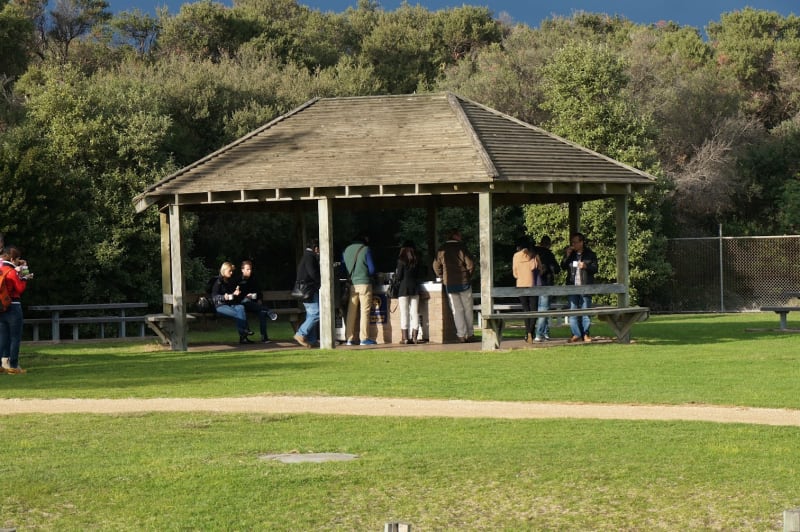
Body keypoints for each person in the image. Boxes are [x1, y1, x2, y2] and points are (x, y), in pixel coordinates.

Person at [432, 229, 475, 343]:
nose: (461, 237)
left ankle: (461, 334)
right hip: (464, 282)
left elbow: (436, 266)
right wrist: (467, 276)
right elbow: (470, 264)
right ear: (455, 236)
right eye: (459, 235)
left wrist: (442, 277)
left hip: (450, 283)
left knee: (457, 310)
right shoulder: (462, 247)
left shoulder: (442, 249)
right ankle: (470, 333)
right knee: (468, 309)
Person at [561, 232, 599, 343]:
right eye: (572, 242)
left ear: (581, 242)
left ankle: (586, 334)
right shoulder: (571, 254)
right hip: (572, 286)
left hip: (585, 286)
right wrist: (567, 255)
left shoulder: (590, 254)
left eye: (575, 242)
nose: (573, 244)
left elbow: (595, 269)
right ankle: (576, 334)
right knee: (573, 311)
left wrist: (586, 266)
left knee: (585, 311)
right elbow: (562, 267)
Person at [0, 246, 30, 374]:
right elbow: (20, 288)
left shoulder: (0, 269)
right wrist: (24, 274)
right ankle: (13, 365)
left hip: (1, 306)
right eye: (17, 259)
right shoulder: (11, 271)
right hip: (14, 306)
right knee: (14, 338)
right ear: (12, 259)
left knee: (2, 337)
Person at [342, 234, 377, 346]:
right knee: (364, 311)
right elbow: (372, 269)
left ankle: (349, 338)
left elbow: (344, 268)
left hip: (352, 284)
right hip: (364, 284)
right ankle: (364, 338)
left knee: (351, 312)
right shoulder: (366, 249)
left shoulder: (346, 250)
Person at [211, 261, 253, 344]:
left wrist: (235, 293)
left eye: (232, 271)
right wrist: (223, 297)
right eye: (229, 271)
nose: (231, 272)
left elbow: (232, 296)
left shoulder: (230, 281)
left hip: (230, 304)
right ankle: (244, 331)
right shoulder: (218, 282)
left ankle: (244, 336)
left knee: (241, 307)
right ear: (224, 270)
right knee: (237, 313)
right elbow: (214, 297)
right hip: (220, 306)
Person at [237, 260, 278, 344]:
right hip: (242, 305)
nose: (250, 271)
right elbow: (236, 295)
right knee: (244, 306)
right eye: (247, 269)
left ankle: (264, 337)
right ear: (242, 270)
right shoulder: (237, 280)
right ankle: (269, 311)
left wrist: (259, 299)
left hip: (253, 304)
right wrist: (245, 296)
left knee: (262, 312)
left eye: (250, 269)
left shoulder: (253, 278)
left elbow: (258, 292)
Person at [512, 237, 543, 343]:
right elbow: (536, 268)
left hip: (520, 285)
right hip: (532, 285)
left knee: (526, 309)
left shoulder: (516, 256)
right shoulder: (533, 256)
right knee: (533, 310)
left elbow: (515, 273)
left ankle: (527, 332)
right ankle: (530, 332)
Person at [293, 239, 321, 348]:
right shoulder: (310, 256)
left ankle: (312, 340)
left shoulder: (306, 255)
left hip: (306, 290)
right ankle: (301, 334)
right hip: (308, 290)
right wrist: (321, 281)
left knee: (311, 314)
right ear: (316, 248)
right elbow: (312, 273)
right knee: (316, 314)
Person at [533, 235, 561, 342]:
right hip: (546, 284)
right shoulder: (548, 254)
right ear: (549, 244)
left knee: (540, 309)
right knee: (544, 309)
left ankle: (545, 332)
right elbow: (557, 269)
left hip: (534, 284)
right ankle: (540, 333)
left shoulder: (533, 252)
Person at [394, 240, 422, 344]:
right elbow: (419, 274)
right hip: (415, 288)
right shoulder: (416, 260)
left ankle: (405, 338)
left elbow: (399, 276)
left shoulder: (401, 260)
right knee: (414, 313)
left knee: (404, 313)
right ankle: (414, 337)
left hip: (403, 289)